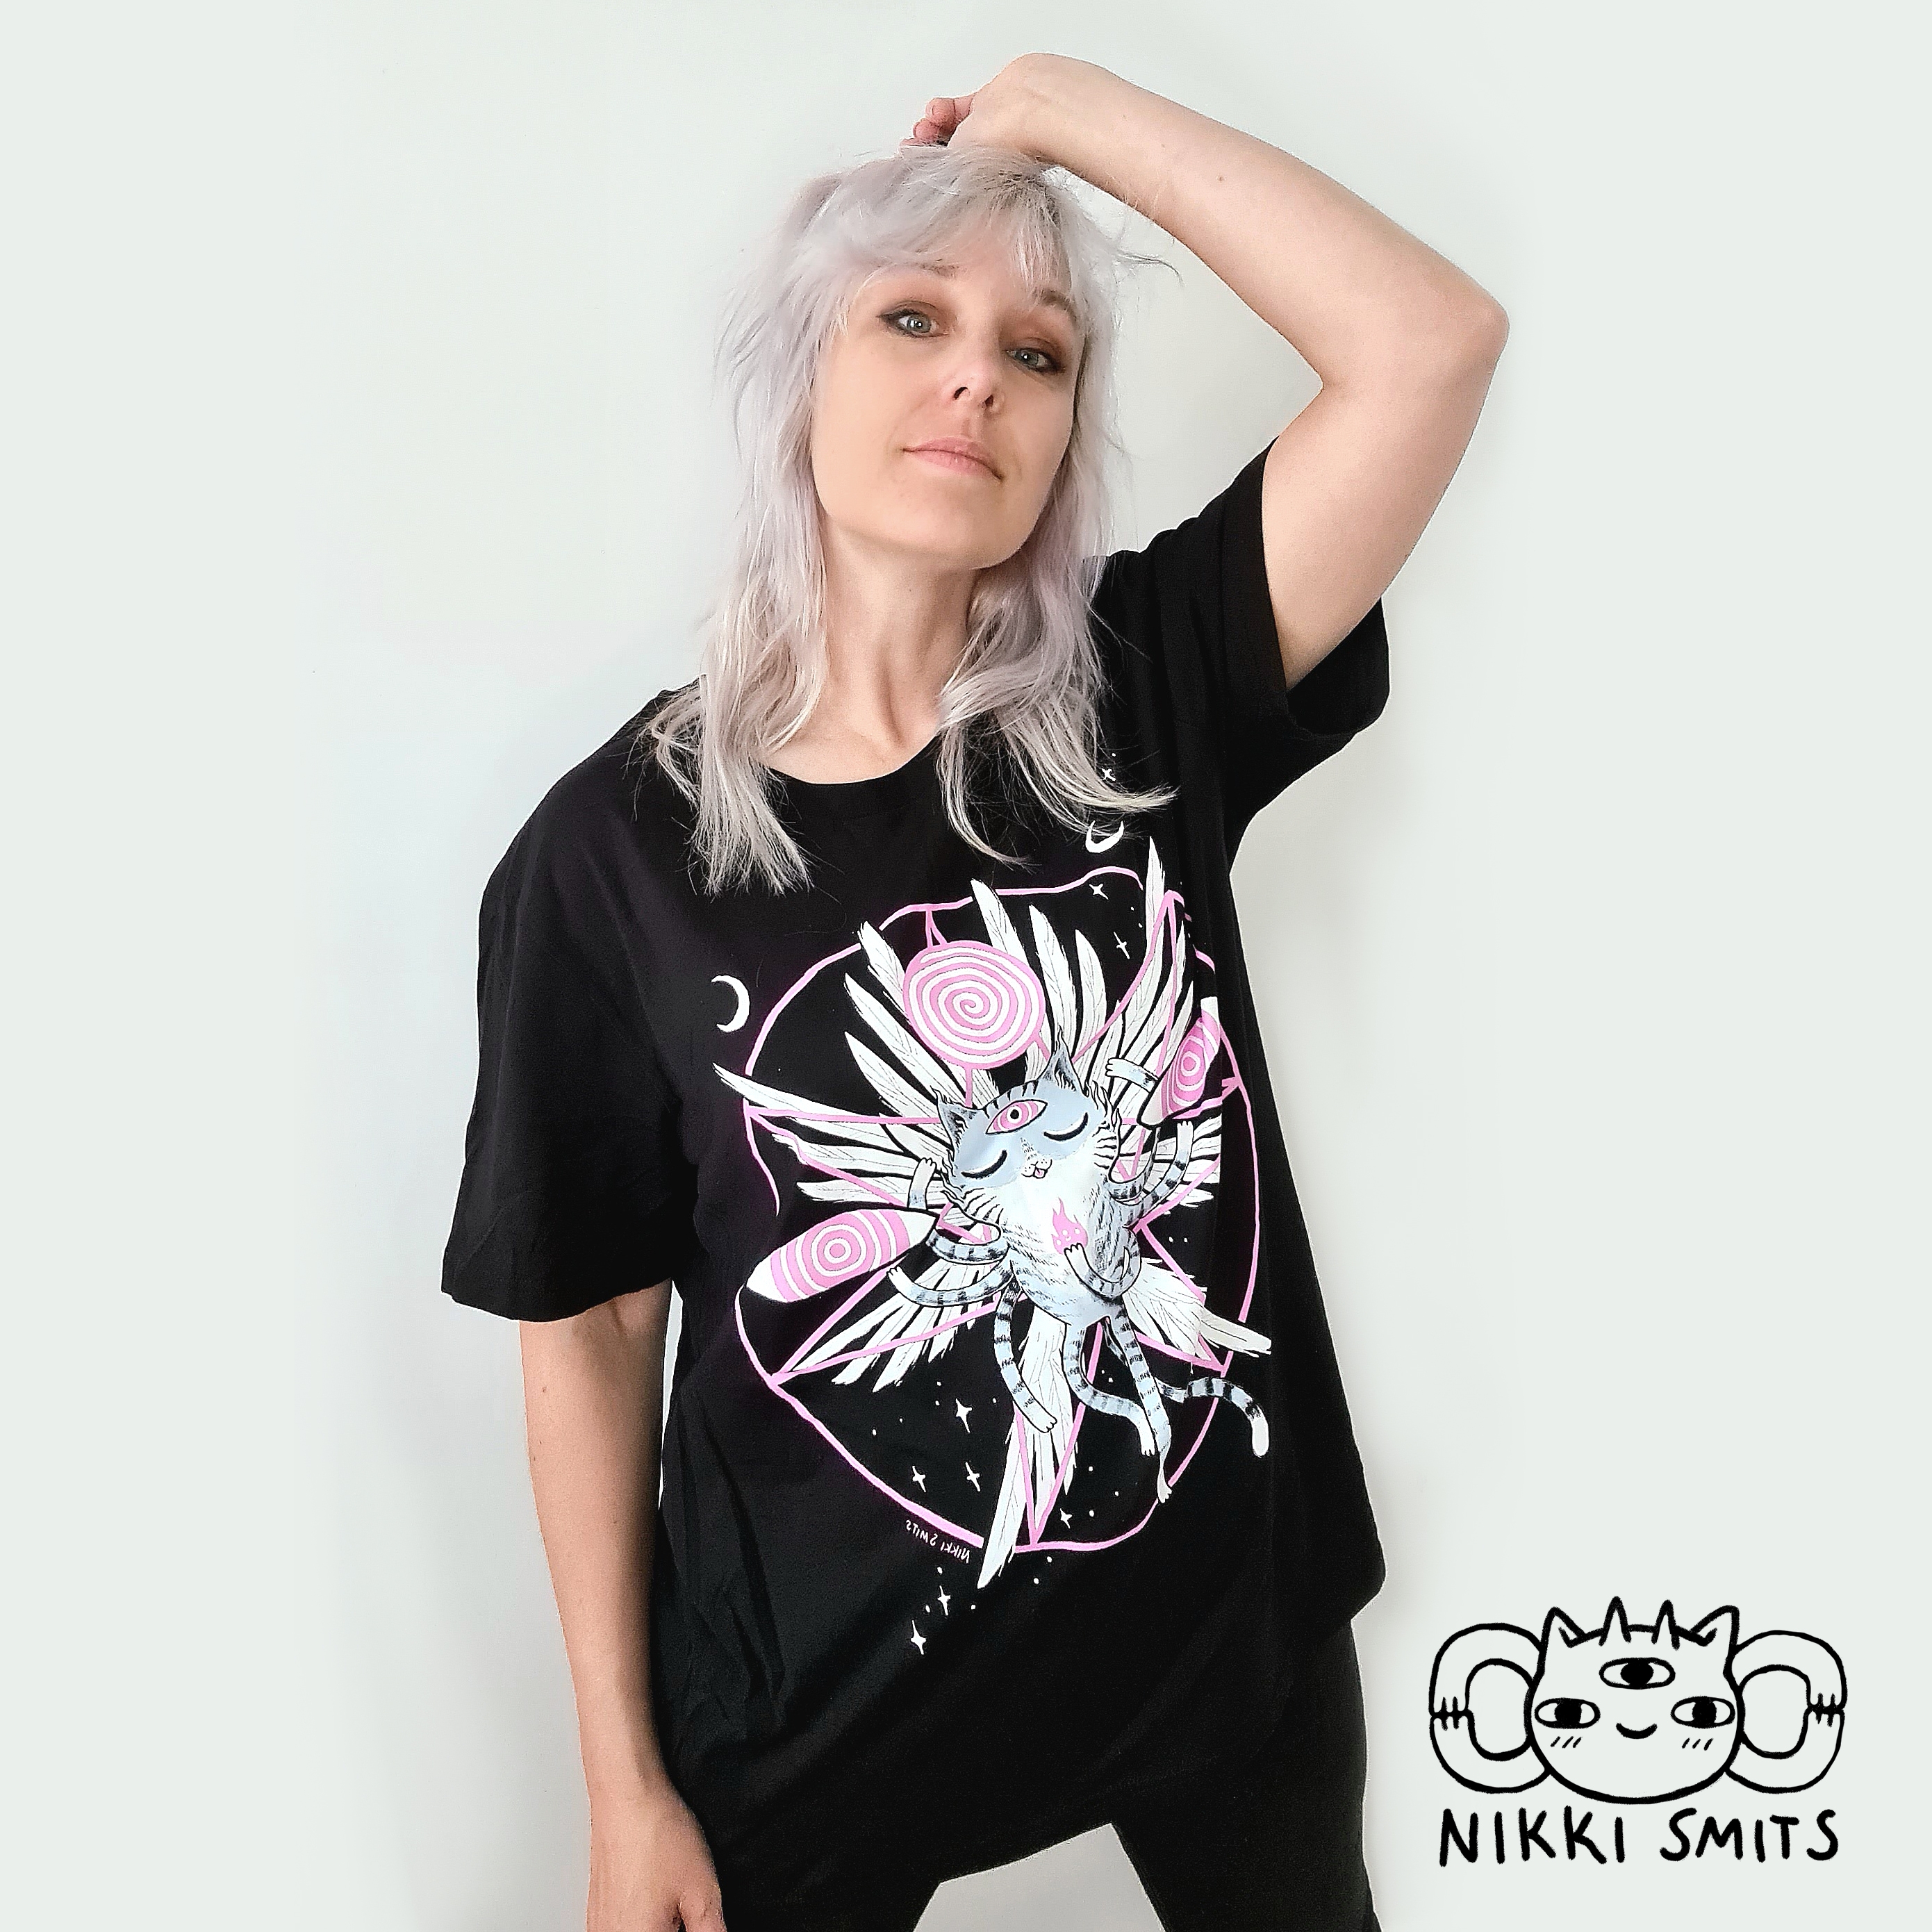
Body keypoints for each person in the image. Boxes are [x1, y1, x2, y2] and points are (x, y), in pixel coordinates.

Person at [440, 52, 1506, 1932]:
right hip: (821, 1709)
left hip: (1217, 1647)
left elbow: (1430, 342)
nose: (976, 380)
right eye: (912, 319)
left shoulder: (1143, 685)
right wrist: (622, 1784)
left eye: (1039, 351)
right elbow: (588, 1328)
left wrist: (1059, 107)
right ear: (800, 376)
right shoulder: (611, 855)